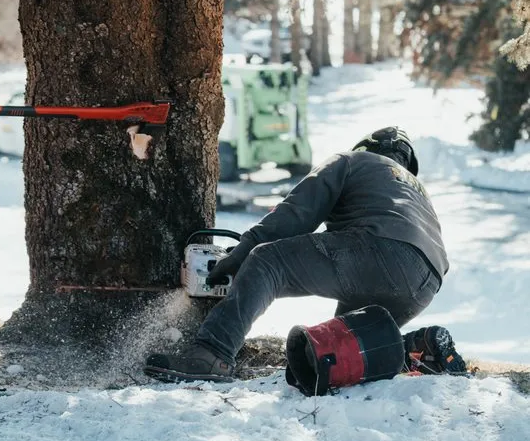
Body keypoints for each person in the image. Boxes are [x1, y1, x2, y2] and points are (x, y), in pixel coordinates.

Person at [145, 126, 465, 383]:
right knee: (342, 348)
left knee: (269, 261)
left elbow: (296, 214)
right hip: (427, 281)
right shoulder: (415, 191)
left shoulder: (354, 161)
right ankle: (419, 349)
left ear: (365, 147)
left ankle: (212, 355)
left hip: (381, 251)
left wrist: (242, 253)